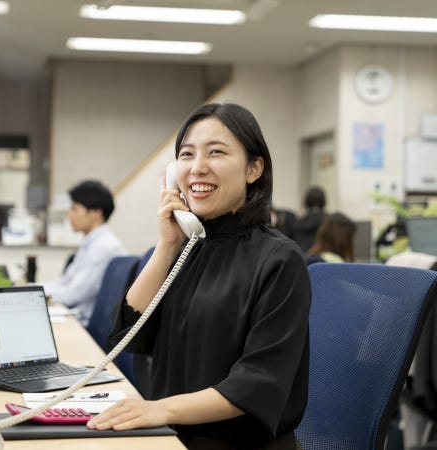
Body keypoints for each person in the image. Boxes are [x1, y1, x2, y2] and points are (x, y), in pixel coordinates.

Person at [87, 103, 311, 450]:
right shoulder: (185, 249)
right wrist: (167, 244)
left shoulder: (279, 259)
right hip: (171, 438)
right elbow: (127, 338)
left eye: (216, 153)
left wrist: (159, 410)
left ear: (254, 168)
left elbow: (256, 385)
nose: (197, 168)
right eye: (186, 155)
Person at [41, 180, 127, 326]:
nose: (69, 215)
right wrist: (33, 289)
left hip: (84, 325)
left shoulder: (103, 247)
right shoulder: (91, 243)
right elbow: (65, 283)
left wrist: (36, 294)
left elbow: (74, 294)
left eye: (75, 209)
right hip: (77, 318)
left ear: (95, 213)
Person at [293, 186, 326, 252]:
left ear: (306, 201)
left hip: (302, 258)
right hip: (322, 259)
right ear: (323, 201)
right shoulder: (328, 222)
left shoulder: (297, 223)